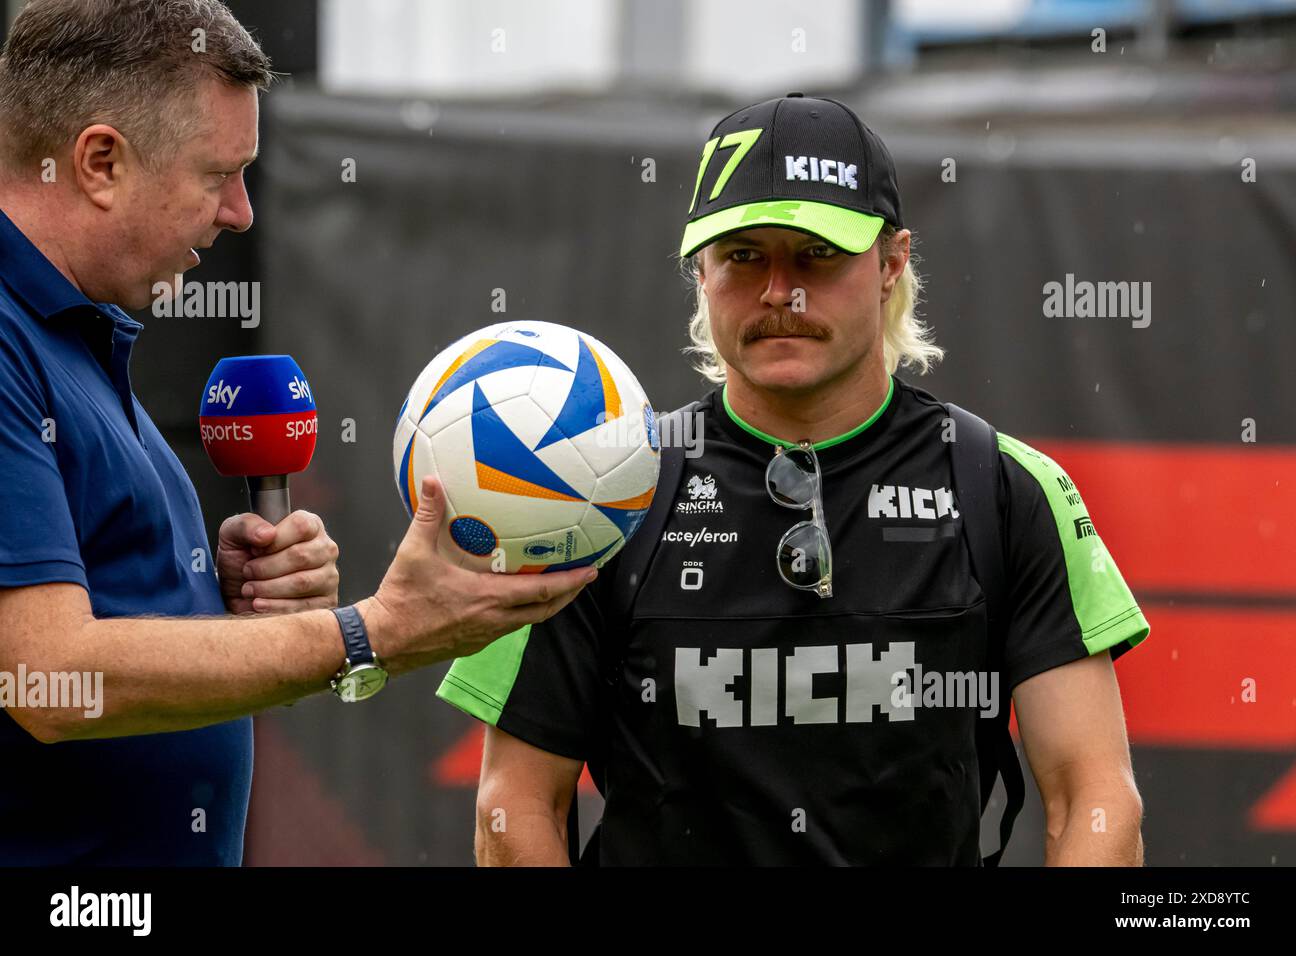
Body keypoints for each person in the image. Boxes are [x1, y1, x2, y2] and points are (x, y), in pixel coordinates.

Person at [438, 93, 1151, 866]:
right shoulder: (593, 493)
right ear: (700, 274)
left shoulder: (1007, 487)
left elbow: (1095, 800)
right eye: (744, 256)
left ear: (891, 263)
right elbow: (513, 807)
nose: (782, 291)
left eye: (817, 252)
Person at [0, 0, 595, 865]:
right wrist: (368, 634)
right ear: (99, 162)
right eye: (220, 174)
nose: (240, 211)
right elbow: (44, 678)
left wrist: (222, 606)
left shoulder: (76, 338)